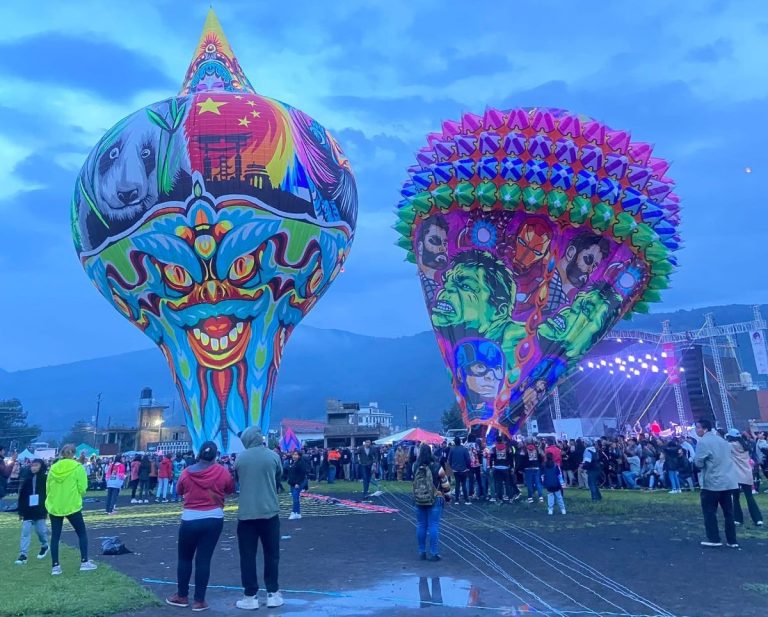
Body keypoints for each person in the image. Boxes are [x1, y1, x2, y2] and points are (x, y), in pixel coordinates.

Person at [166, 441, 234, 612]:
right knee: (204, 559)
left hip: (190, 517)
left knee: (184, 558)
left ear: (199, 454)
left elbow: (179, 490)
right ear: (216, 455)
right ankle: (199, 600)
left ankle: (182, 596)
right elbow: (230, 488)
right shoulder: (222, 471)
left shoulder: (187, 472)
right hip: (213, 518)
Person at [234, 427, 284, 610]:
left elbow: (237, 478)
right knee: (272, 554)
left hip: (246, 514)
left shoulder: (240, 458)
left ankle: (250, 596)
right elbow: (279, 475)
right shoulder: (273, 456)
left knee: (247, 556)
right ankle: (273, 593)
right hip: (269, 511)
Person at [46, 444, 97, 575]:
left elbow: (48, 488)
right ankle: (84, 562)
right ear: (73, 453)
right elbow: (83, 487)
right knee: (81, 533)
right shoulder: (78, 467)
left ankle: (55, 566)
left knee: (55, 536)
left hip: (55, 506)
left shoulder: (53, 468)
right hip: (72, 505)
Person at [694, 419, 739, 548]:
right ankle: (732, 540)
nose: (697, 431)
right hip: (728, 481)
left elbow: (698, 462)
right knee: (728, 513)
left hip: (712, 482)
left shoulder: (703, 442)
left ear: (704, 428)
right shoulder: (723, 441)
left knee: (709, 512)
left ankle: (714, 539)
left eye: (698, 428)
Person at [412, 443, 450, 561]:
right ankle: (434, 553)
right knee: (433, 526)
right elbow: (445, 483)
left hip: (419, 499)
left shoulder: (415, 466)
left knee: (421, 525)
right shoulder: (437, 467)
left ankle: (421, 552)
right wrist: (448, 497)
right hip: (435, 498)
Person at [725, 429, 763, 527]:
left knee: (736, 499)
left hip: (735, 475)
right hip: (747, 474)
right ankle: (758, 519)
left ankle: (738, 519)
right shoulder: (745, 445)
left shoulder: (730, 446)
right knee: (749, 497)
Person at [15, 458, 49, 565]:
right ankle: (23, 555)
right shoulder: (27, 479)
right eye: (32, 465)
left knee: (41, 532)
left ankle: (44, 545)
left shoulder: (45, 479)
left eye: (36, 465)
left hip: (40, 510)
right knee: (25, 533)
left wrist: (47, 509)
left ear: (41, 466)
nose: (34, 468)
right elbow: (22, 496)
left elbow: (49, 495)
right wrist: (21, 511)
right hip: (28, 511)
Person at [448, 436, 471, 505]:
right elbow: (468, 460)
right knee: (463, 484)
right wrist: (468, 467)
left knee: (457, 484)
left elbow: (449, 460)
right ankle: (466, 500)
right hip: (463, 470)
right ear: (460, 441)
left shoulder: (452, 449)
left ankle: (456, 500)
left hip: (455, 470)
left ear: (454, 442)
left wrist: (450, 469)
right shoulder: (464, 449)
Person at [287, 450, 307, 521]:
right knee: (295, 498)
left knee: (295, 498)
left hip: (298, 483)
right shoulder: (293, 462)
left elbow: (302, 474)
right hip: (292, 483)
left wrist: (298, 483)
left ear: (299, 456)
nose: (294, 456)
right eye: (293, 454)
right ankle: (297, 513)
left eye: (296, 455)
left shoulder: (301, 463)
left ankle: (294, 512)